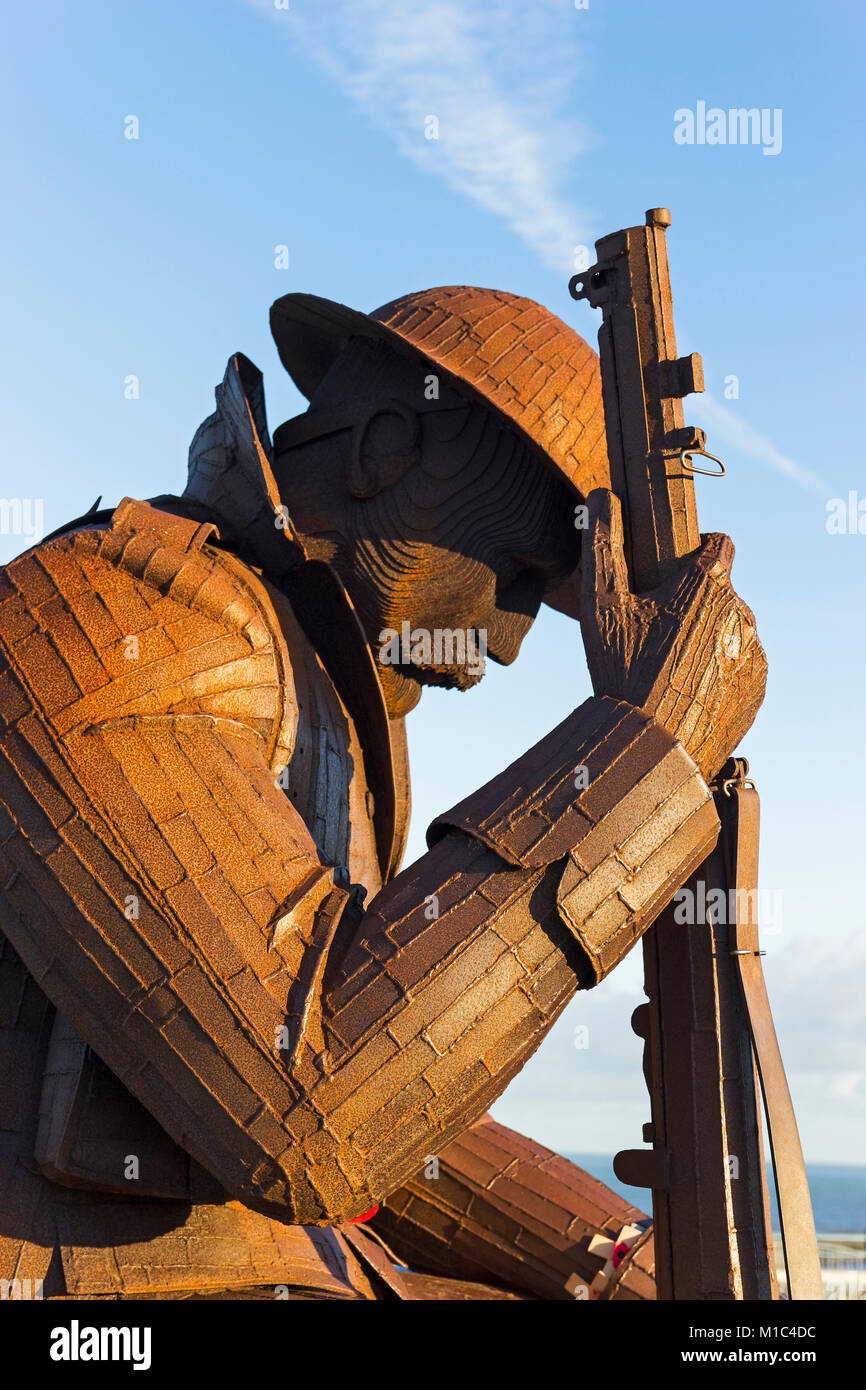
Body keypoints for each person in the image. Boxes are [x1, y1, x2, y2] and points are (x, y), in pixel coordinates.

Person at [0, 287, 765, 1300]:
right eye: (516, 574)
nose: (500, 643)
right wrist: (639, 751)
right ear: (385, 454)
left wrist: (617, 1261)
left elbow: (396, 1080)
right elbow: (311, 1113)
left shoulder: (315, 689)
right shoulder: (110, 617)